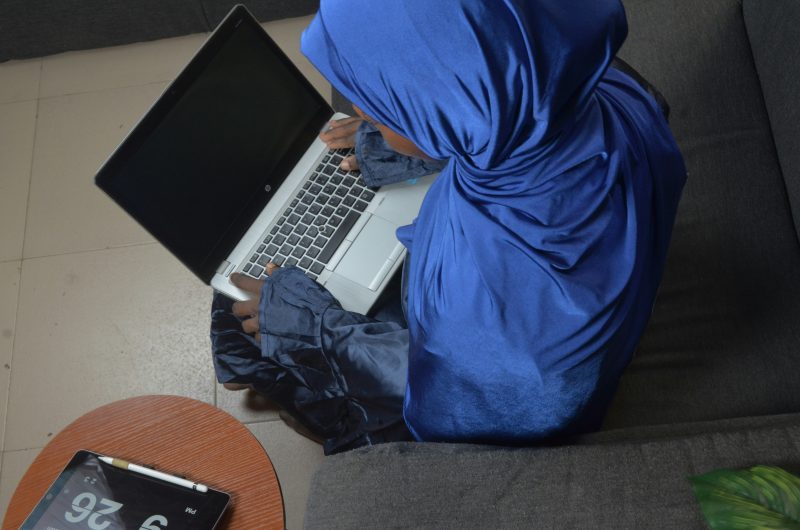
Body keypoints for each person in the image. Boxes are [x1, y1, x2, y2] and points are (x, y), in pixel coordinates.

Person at [210, 0, 687, 454]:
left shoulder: (496, 330)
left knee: (242, 310)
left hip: (469, 377)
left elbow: (447, 395)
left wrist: (316, 330)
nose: (361, 111)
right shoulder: (598, 89)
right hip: (508, 310)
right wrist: (417, 133)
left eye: (380, 105)